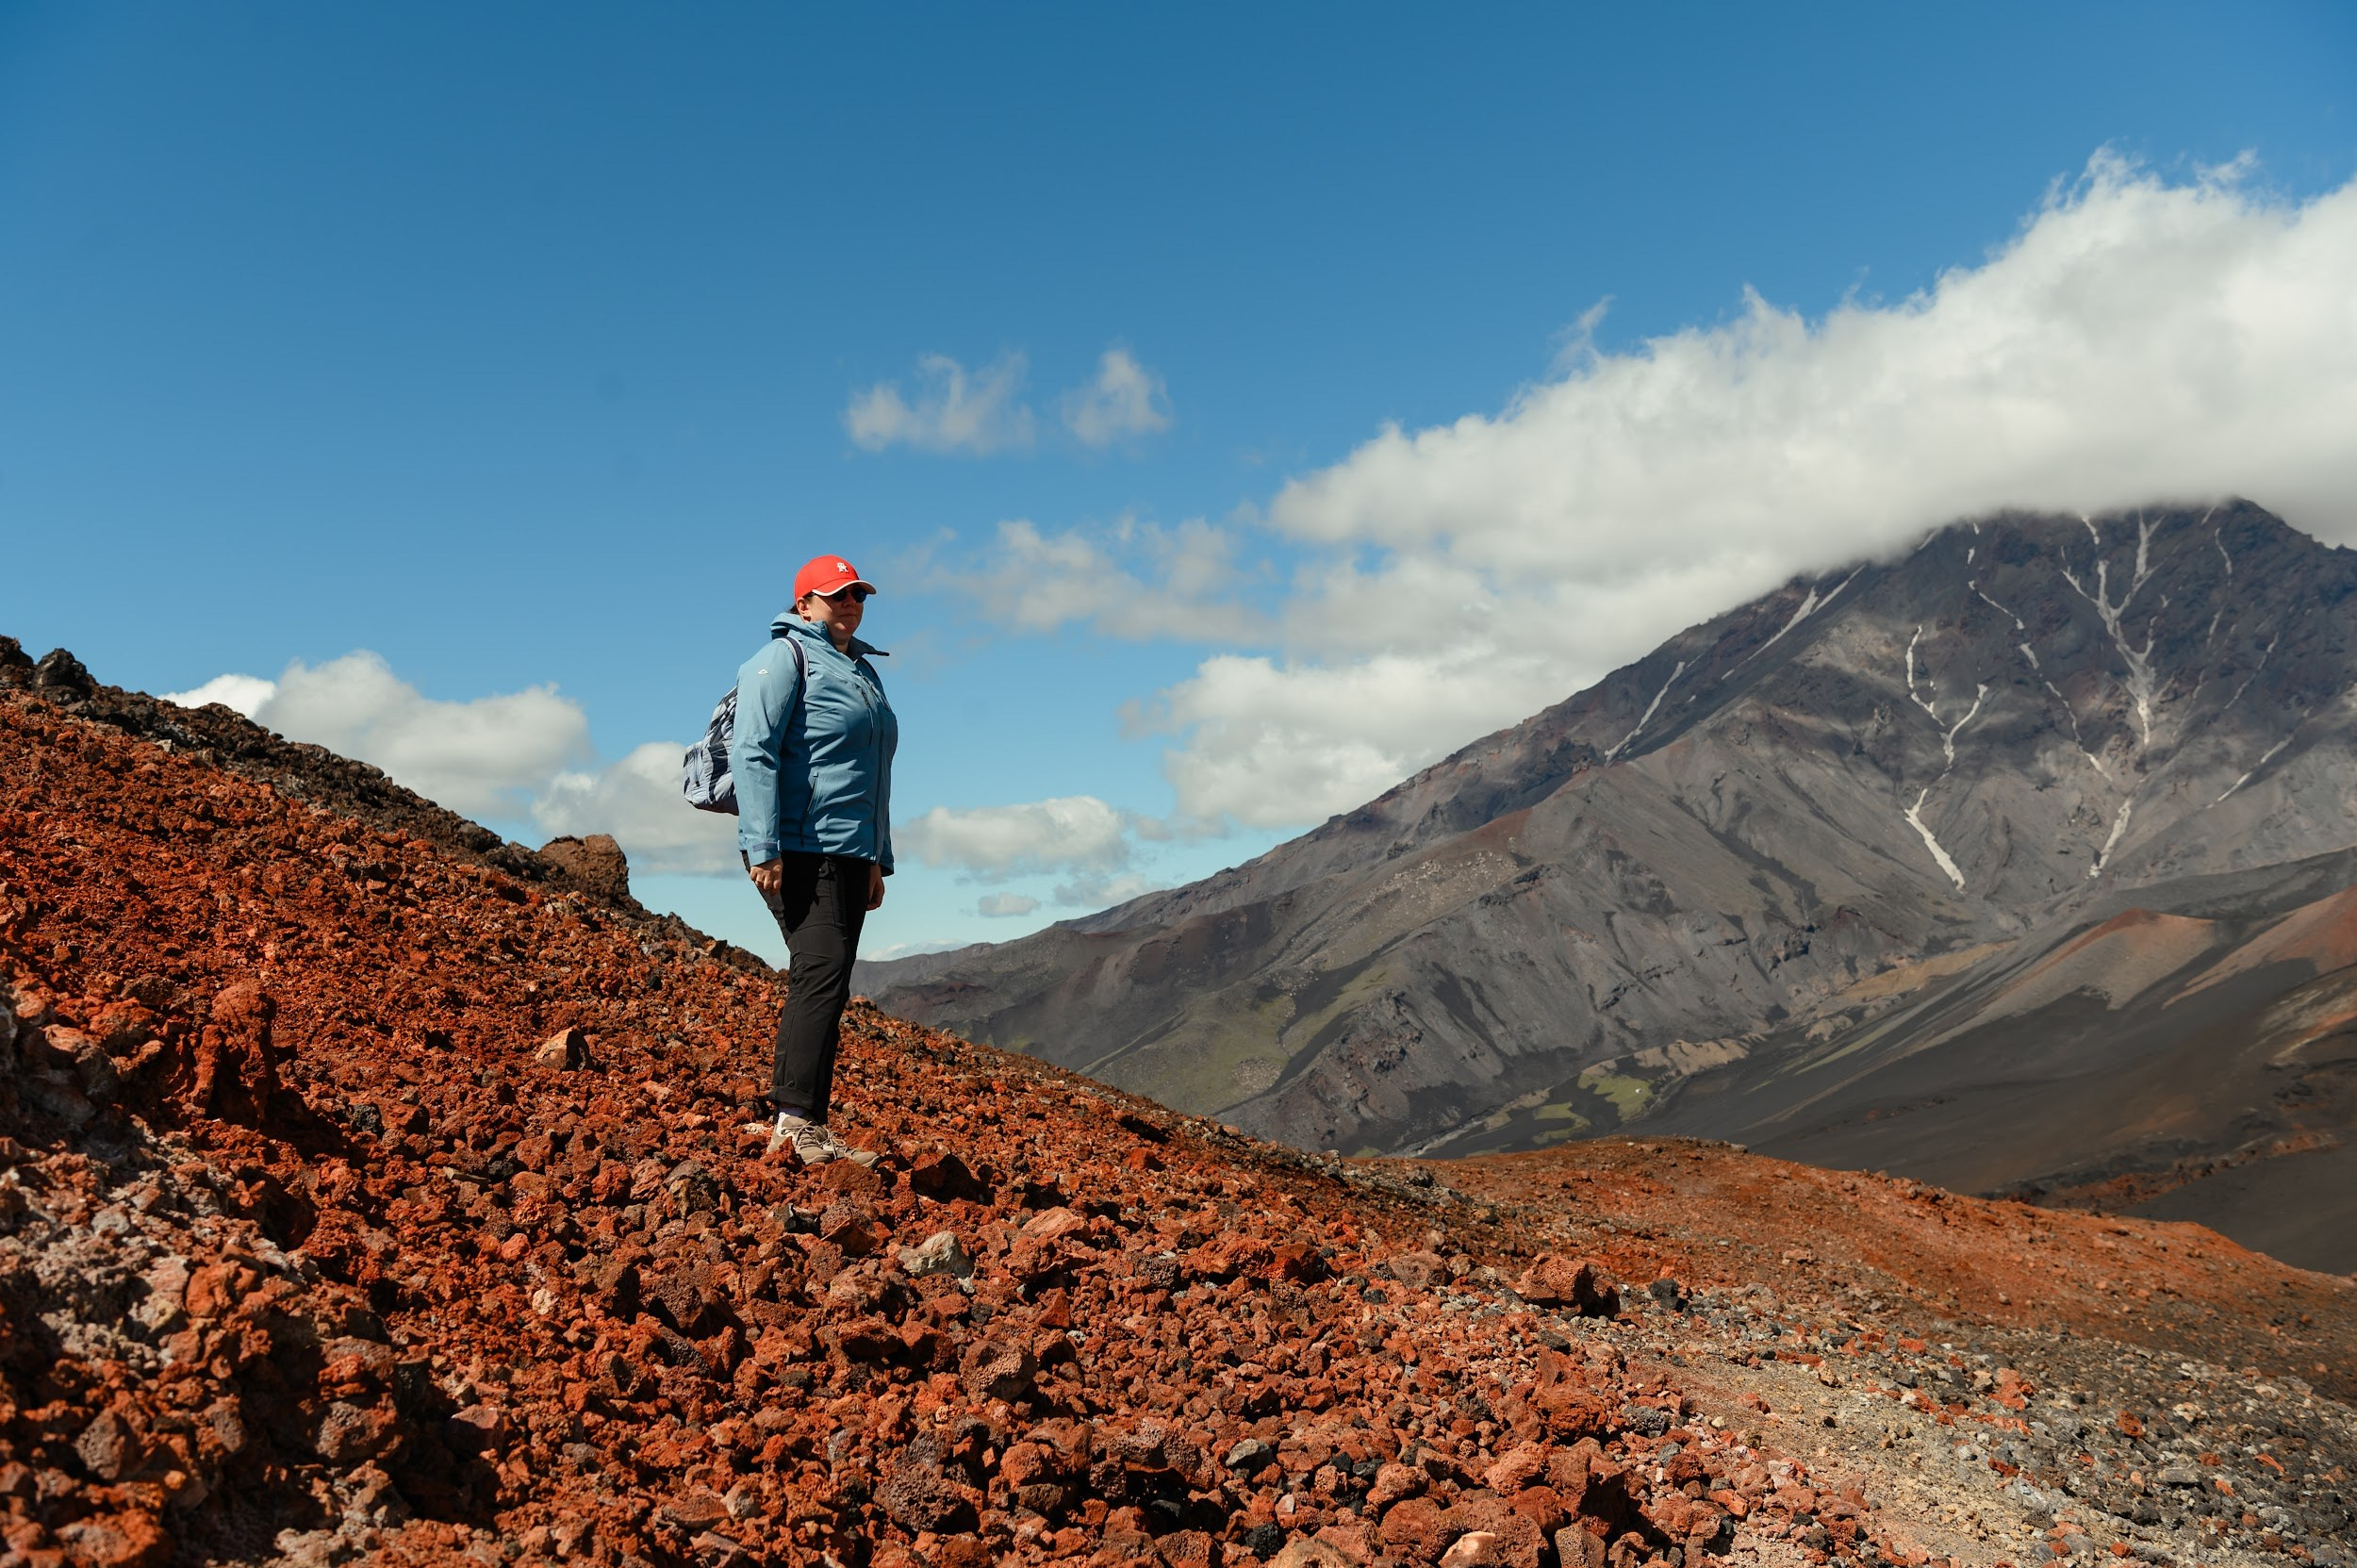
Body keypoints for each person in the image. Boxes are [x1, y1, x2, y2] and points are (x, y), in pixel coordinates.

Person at [729, 553, 898, 1165]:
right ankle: (796, 1125)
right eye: (836, 596)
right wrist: (764, 844)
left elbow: (873, 771)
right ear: (804, 605)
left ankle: (801, 1121)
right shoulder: (782, 658)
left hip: (851, 852)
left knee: (826, 981)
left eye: (857, 595)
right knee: (819, 974)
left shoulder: (861, 670)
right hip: (802, 846)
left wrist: (877, 857)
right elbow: (753, 750)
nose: (850, 604)